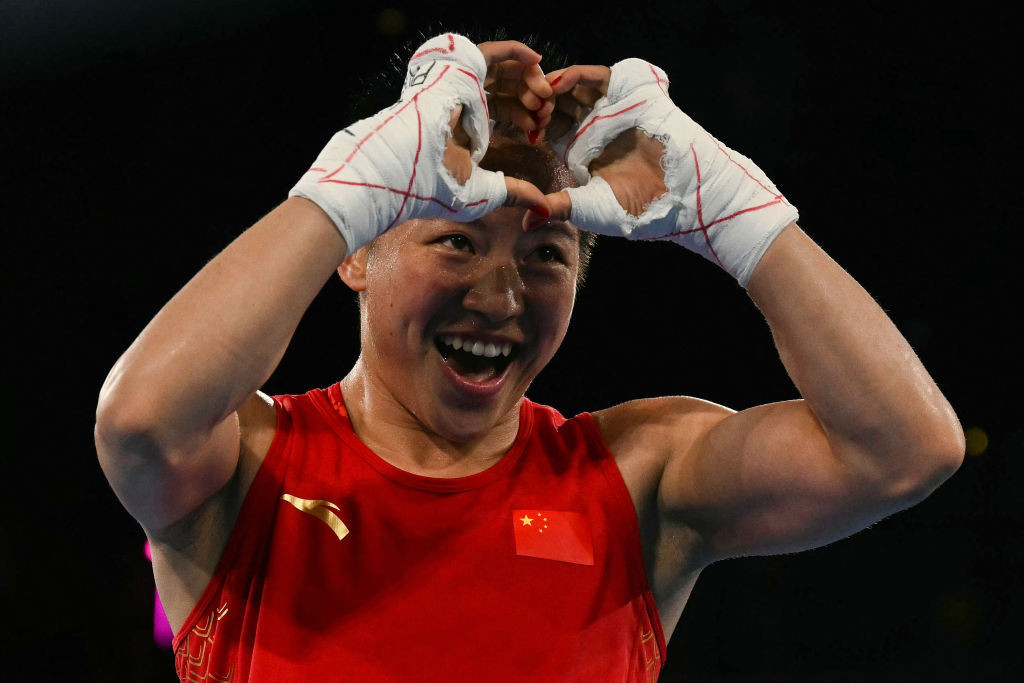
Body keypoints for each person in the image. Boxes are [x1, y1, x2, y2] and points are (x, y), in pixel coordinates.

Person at [94, 32, 964, 682]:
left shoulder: (636, 474)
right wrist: (351, 188)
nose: (502, 296)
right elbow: (138, 419)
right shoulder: (247, 460)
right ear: (355, 254)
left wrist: (733, 209)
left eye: (546, 254)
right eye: (457, 243)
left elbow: (903, 448)